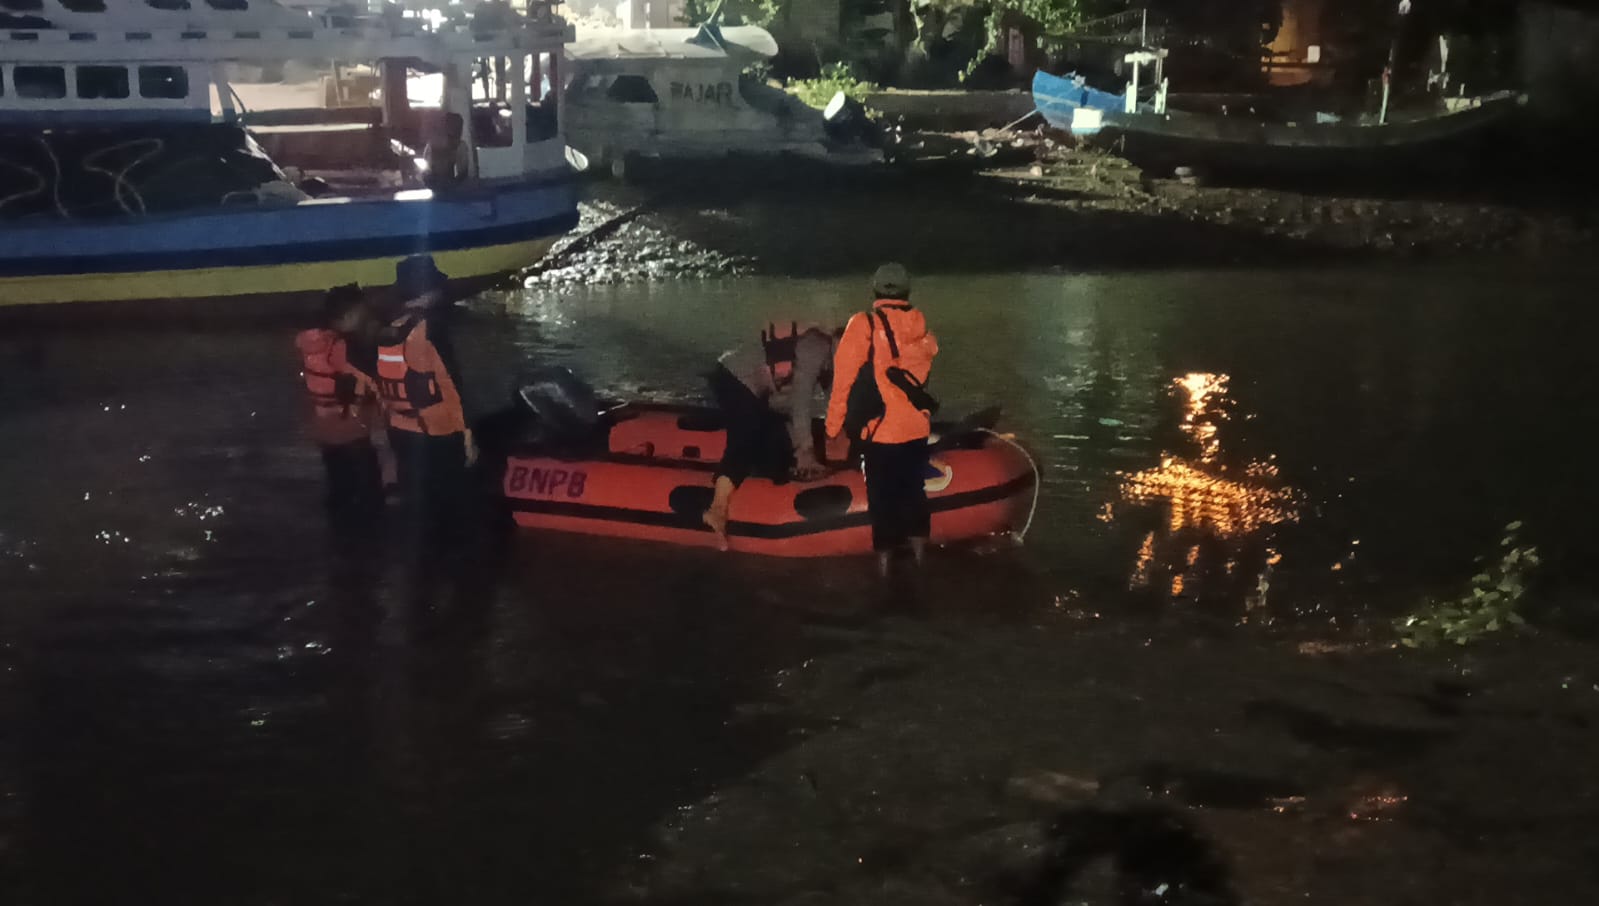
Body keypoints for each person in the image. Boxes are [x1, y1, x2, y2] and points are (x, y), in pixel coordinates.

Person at [825, 263, 940, 576]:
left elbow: (842, 382)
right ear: (907, 292)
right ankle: (920, 561)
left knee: (882, 499)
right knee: (914, 493)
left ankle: (884, 570)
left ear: (875, 290)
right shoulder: (922, 328)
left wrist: (833, 429)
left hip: (880, 432)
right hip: (917, 428)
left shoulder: (862, 324)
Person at [702, 321, 837, 550]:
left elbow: (834, 401)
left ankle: (764, 476)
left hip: (759, 387)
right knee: (745, 437)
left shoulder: (831, 358)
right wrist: (805, 452)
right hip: (734, 378)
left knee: (775, 432)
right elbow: (801, 403)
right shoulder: (817, 348)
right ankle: (717, 509)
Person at [373, 255, 476, 533]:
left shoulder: (388, 330)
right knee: (448, 506)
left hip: (401, 430)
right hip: (437, 432)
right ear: (429, 290)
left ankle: (420, 564)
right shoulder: (432, 330)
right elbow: (451, 385)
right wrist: (467, 435)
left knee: (418, 506)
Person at [295, 284, 385, 518]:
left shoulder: (310, 341)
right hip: (350, 427)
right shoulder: (343, 346)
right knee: (368, 486)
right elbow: (361, 381)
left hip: (323, 426)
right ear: (348, 315)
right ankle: (369, 536)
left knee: (338, 484)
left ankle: (339, 529)